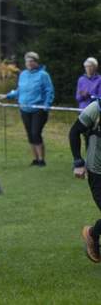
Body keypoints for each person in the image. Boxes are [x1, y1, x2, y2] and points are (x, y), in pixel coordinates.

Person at [0, 52, 54, 167]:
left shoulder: (43, 75)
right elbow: (19, 90)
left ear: (36, 62)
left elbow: (49, 90)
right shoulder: (23, 74)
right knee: (30, 134)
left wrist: (47, 104)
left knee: (35, 133)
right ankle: (35, 159)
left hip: (39, 109)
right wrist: (7, 95)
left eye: (31, 61)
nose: (28, 63)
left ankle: (41, 160)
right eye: (27, 61)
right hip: (24, 108)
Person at [69, 97, 101, 263]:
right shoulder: (96, 108)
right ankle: (92, 234)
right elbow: (74, 131)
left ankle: (92, 233)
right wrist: (78, 162)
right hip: (97, 171)